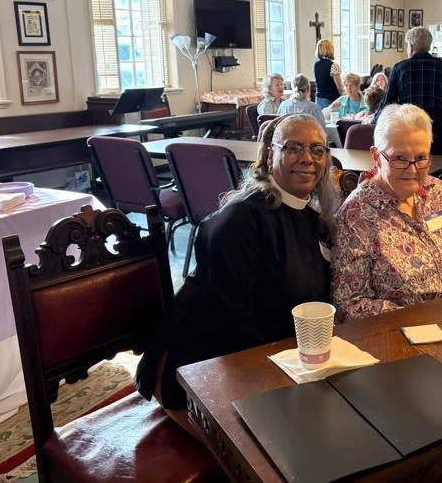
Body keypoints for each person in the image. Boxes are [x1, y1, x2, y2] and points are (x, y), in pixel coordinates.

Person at [135, 114, 336, 430]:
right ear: (271, 154)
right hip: (201, 368)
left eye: (317, 149)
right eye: (293, 147)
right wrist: (283, 377)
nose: (307, 159)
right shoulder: (240, 219)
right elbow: (228, 322)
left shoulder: (310, 214)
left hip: (276, 361)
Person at [332, 104, 442, 321]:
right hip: (400, 337)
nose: (412, 170)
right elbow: (349, 305)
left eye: (420, 158)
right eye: (399, 158)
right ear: (376, 156)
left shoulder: (437, 192)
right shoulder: (357, 214)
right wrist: (421, 318)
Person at [376, 27, 442, 156]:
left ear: (412, 46)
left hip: (409, 127)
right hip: (439, 130)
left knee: (413, 164)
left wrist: (375, 119)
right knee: (439, 167)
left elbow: (388, 101)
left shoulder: (400, 68)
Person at [313, 39, 343, 109]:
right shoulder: (333, 65)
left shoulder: (316, 65)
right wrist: (343, 97)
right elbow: (339, 87)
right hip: (331, 99)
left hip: (318, 98)